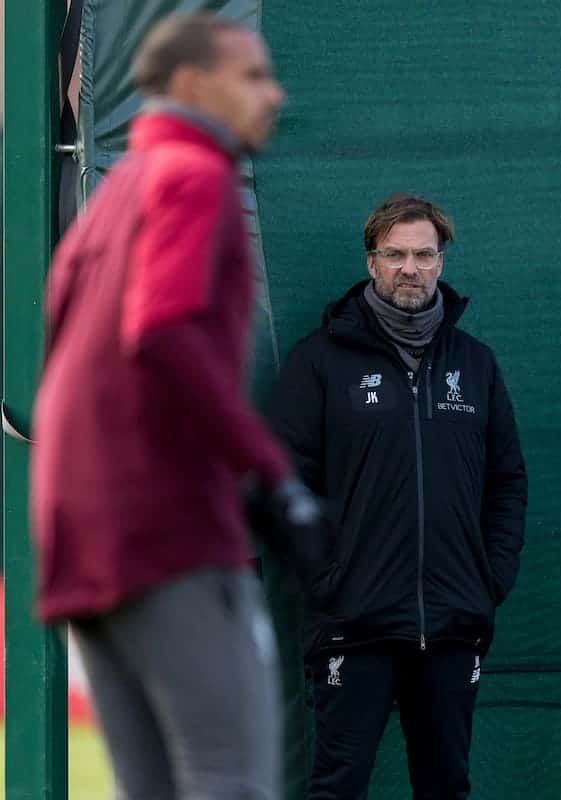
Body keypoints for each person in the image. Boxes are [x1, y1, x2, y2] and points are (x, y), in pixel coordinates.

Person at [31, 13, 329, 798]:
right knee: (229, 778)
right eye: (252, 76)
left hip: (84, 551)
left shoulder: (110, 196)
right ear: (194, 87)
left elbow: (57, 344)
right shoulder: (195, 178)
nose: (272, 94)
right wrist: (273, 476)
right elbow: (163, 337)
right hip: (169, 534)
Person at [270, 193, 528, 800]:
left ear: (441, 263)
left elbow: (507, 481)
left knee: (445, 784)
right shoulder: (319, 362)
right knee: (338, 787)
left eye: (423, 254)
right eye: (394, 254)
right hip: (351, 623)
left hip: (452, 622)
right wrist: (328, 579)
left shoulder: (476, 365)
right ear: (371, 263)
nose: (409, 268)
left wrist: (487, 580)